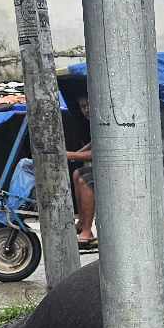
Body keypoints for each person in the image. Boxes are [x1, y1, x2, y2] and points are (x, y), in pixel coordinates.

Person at [66, 94, 97, 247]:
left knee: (86, 181)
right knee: (77, 173)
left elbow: (98, 152)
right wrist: (77, 153)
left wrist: (71, 154)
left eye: (88, 105)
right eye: (83, 107)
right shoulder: (96, 124)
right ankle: (82, 221)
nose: (86, 110)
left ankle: (87, 231)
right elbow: (94, 143)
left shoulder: (104, 121)